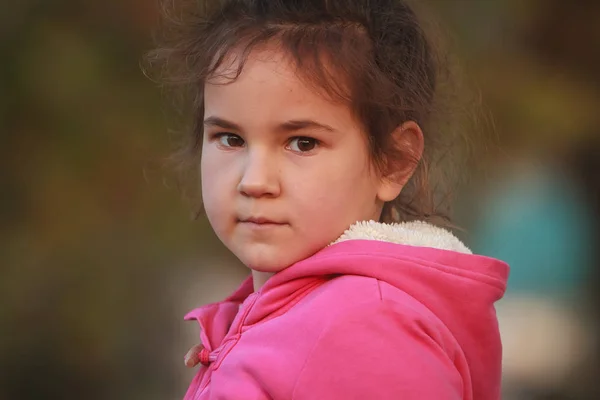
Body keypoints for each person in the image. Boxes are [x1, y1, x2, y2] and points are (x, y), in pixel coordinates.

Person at [149, 0, 509, 398]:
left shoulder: (367, 329)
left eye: (303, 143)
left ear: (393, 161)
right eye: (230, 139)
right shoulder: (290, 317)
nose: (254, 181)